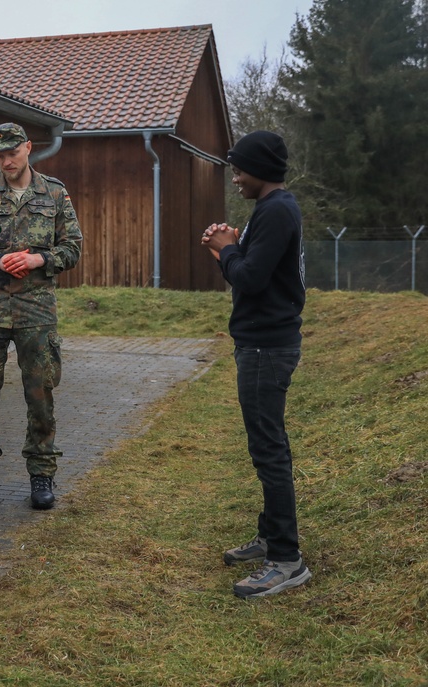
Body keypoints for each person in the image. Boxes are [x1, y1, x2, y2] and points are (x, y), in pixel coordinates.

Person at [201, 130, 311, 598]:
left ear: (259, 169)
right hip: (261, 344)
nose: (235, 179)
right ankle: (271, 534)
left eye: (239, 170)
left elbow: (248, 277)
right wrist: (228, 245)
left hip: (267, 348)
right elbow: (254, 271)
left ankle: (286, 559)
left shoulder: (276, 211)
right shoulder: (271, 210)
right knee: (268, 443)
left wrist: (224, 249)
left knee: (268, 449)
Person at [0, 123, 82, 510]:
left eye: (13, 152)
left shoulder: (54, 193)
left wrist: (39, 258)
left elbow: (73, 247)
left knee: (40, 396)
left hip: (36, 311)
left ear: (28, 148)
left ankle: (42, 476)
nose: (7, 160)